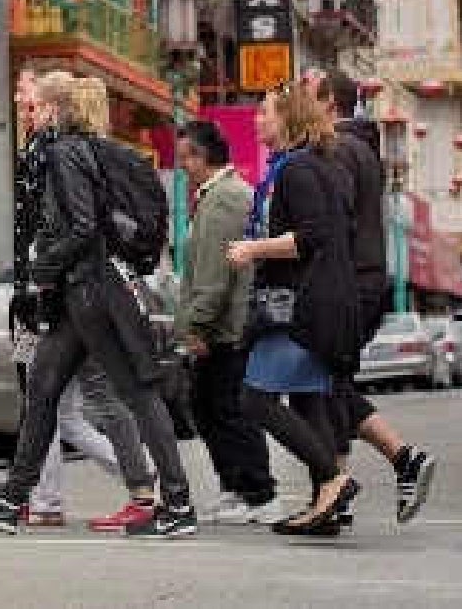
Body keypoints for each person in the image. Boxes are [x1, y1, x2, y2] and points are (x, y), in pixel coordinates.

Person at [0, 70, 198, 539]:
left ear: (52, 108)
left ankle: (179, 502)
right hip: (80, 294)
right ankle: (11, 499)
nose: (34, 114)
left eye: (39, 106)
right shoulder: (81, 151)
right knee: (44, 390)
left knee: (137, 393)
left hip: (91, 291)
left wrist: (42, 270)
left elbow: (83, 228)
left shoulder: (66, 152)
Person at [227, 78, 362, 538]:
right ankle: (324, 504)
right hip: (312, 299)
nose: (258, 119)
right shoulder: (311, 166)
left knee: (256, 397)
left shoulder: (298, 170)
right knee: (307, 401)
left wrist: (253, 249)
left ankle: (332, 480)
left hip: (298, 304)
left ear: (289, 118)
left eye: (265, 111)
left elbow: (313, 236)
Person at [322, 70, 436, 524]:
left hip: (349, 284)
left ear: (329, 102)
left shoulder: (340, 151)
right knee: (328, 385)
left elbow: (331, 224)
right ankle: (334, 490)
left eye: (305, 93)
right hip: (362, 282)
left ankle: (399, 458)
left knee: (324, 385)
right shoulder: (360, 148)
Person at [175, 119, 277, 524]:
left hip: (225, 326)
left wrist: (197, 326)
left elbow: (215, 273)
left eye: (187, 157)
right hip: (222, 323)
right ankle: (236, 488)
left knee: (227, 409)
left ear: (205, 157)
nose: (182, 166)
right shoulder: (219, 195)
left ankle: (260, 492)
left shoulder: (223, 199)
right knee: (208, 406)